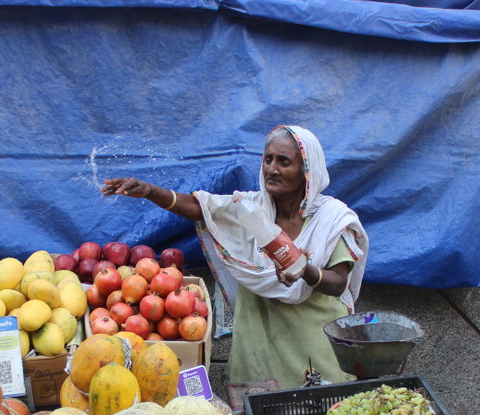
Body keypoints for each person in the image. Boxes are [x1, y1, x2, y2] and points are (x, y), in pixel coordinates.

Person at [101, 125, 369, 386]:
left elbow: (338, 282)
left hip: (312, 344)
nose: (272, 169)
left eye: (284, 162)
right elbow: (202, 207)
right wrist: (150, 192)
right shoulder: (251, 210)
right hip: (260, 343)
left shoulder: (330, 219)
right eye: (268, 159)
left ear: (307, 171)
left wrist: (305, 269)